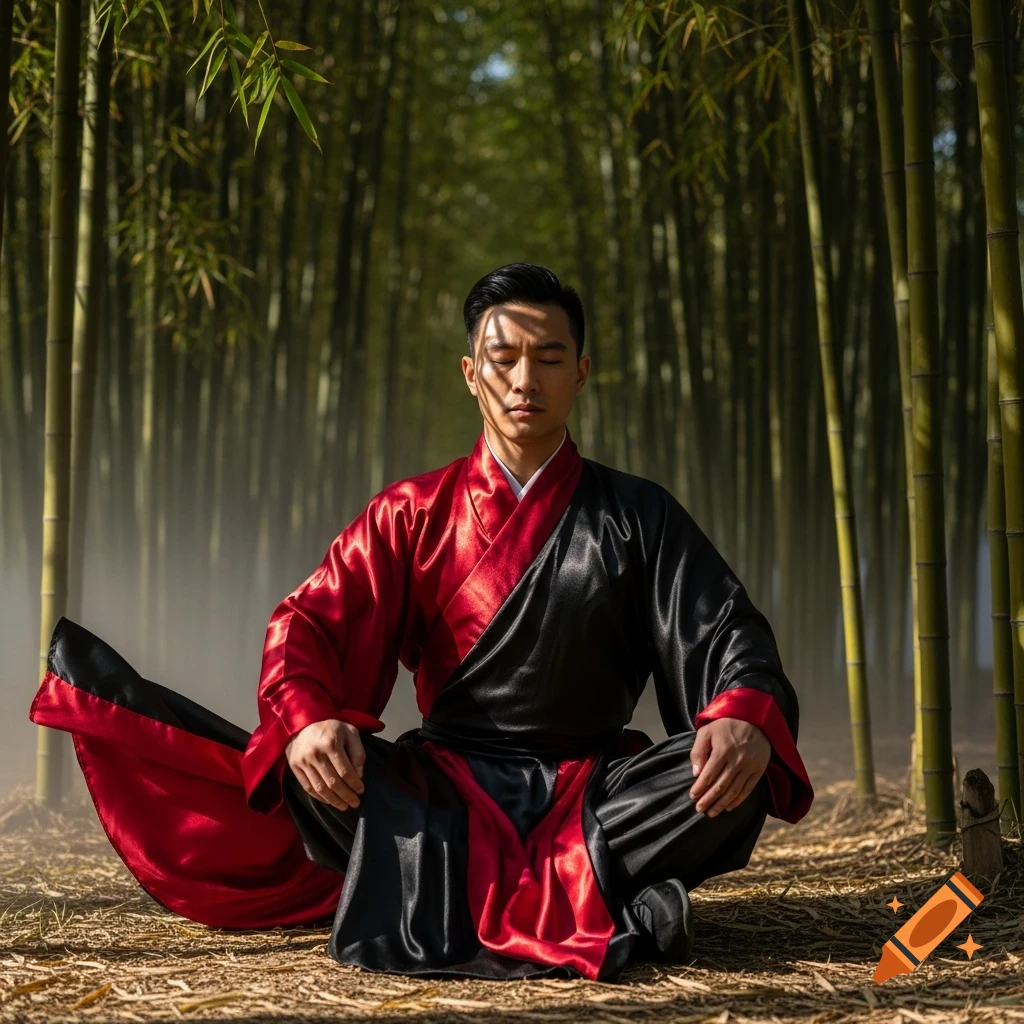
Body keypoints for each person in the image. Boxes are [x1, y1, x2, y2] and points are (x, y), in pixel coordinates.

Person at [30, 262, 813, 981]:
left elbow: (728, 633)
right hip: (442, 793)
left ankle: (457, 892)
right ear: (472, 375)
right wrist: (308, 723)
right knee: (314, 776)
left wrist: (740, 716)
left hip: (596, 786)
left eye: (548, 358)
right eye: (502, 359)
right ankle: (605, 894)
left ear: (581, 372)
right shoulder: (412, 513)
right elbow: (307, 625)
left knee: (731, 781)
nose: (524, 379)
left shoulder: (638, 514)